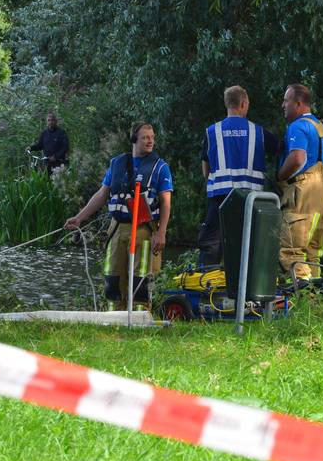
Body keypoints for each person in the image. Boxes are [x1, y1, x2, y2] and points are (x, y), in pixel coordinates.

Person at [65, 122, 172, 309]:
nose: (150, 141)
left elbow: (166, 202)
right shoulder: (117, 164)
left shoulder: (160, 167)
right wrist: (79, 218)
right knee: (113, 278)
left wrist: (161, 232)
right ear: (133, 139)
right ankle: (114, 320)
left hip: (145, 230)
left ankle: (140, 320)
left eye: (152, 137)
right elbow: (101, 194)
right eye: (145, 137)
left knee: (142, 280)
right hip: (117, 229)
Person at [198, 86, 278, 266]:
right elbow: (279, 151)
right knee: (249, 246)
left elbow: (206, 170)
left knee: (211, 246)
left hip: (219, 198)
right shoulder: (258, 132)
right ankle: (245, 290)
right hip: (251, 199)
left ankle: (205, 288)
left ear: (227, 104)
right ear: (243, 104)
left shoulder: (212, 132)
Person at [278, 84, 323, 280]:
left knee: (293, 250)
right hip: (321, 188)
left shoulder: (298, 126)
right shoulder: (318, 126)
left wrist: (281, 175)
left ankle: (302, 298)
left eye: (286, 101)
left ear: (298, 103)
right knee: (313, 249)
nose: (283, 105)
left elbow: (297, 157)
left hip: (303, 189)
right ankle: (315, 296)